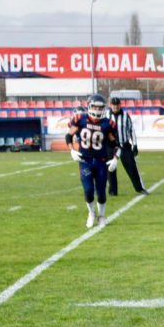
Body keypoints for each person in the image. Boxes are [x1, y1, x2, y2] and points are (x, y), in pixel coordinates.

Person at [66, 94, 120, 229]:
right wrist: (72, 150)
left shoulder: (108, 123)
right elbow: (68, 135)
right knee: (89, 190)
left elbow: (117, 145)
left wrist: (115, 159)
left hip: (101, 161)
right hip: (85, 161)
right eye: (95, 106)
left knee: (101, 192)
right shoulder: (80, 119)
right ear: (89, 106)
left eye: (100, 107)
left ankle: (101, 216)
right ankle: (91, 213)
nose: (97, 109)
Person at [106, 97, 148, 196]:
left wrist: (135, 144)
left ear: (120, 105)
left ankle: (139, 188)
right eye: (113, 105)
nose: (115, 107)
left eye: (117, 105)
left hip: (124, 145)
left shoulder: (125, 115)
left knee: (132, 167)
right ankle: (113, 191)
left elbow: (131, 130)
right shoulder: (106, 115)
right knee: (111, 168)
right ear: (110, 105)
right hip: (111, 146)